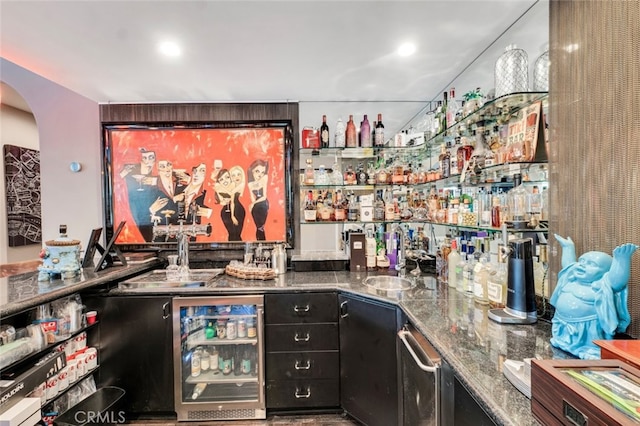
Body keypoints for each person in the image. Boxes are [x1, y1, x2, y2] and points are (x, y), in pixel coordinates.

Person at [550, 234, 638, 359]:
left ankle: (589, 348)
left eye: (591, 264)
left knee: (592, 345)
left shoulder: (601, 286)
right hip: (563, 324)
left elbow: (617, 281)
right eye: (582, 261)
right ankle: (564, 341)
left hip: (588, 327)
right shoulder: (572, 278)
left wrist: (622, 259)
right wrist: (568, 248)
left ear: (605, 273)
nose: (582, 265)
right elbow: (568, 265)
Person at [214, 168, 244, 241]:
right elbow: (221, 201)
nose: (225, 181)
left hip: (237, 209)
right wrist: (224, 200)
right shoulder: (217, 187)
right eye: (221, 179)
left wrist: (232, 216)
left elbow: (233, 202)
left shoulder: (232, 185)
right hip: (225, 211)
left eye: (227, 177)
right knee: (231, 233)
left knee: (237, 233)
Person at [247, 159, 269, 241]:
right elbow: (252, 197)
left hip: (263, 203)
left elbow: (264, 196)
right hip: (256, 206)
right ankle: (260, 240)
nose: (260, 175)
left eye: (262, 172)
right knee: (258, 227)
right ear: (252, 171)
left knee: (260, 226)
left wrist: (253, 204)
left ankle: (261, 240)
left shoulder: (264, 178)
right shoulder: (250, 184)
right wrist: (253, 204)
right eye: (257, 171)